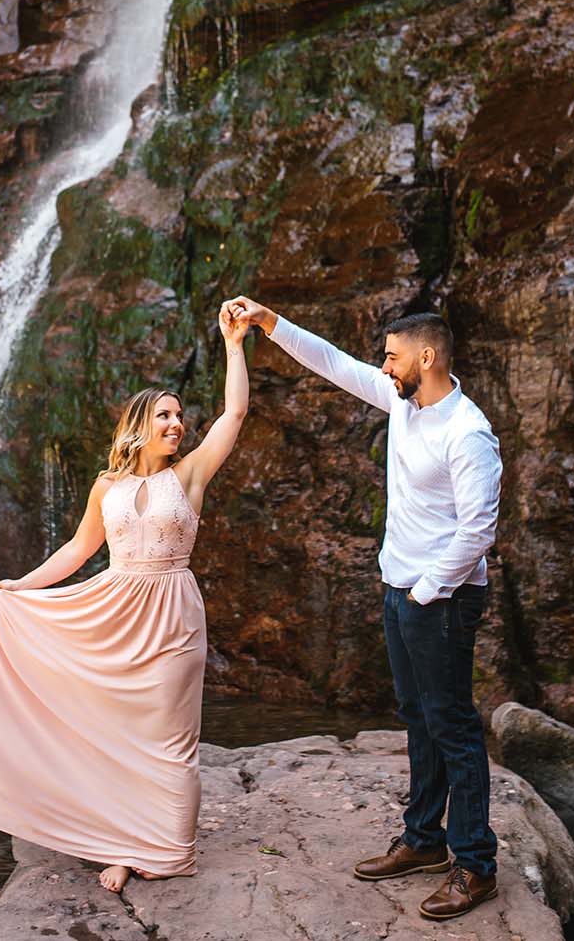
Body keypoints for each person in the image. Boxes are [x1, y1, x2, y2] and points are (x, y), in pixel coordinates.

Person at [0, 305, 250, 894]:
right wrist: (20, 588)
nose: (177, 423)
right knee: (116, 734)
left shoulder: (191, 476)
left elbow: (235, 412)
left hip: (173, 611)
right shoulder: (107, 486)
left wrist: (234, 344)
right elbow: (78, 551)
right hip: (114, 609)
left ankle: (170, 848)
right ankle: (124, 845)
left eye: (180, 415)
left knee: (170, 736)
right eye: (164, 415)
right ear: (137, 425)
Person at [223, 296, 502, 922]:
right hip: (401, 590)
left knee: (454, 726)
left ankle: (475, 865)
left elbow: (478, 530)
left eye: (392, 357)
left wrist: (426, 592)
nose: (382, 366)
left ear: (425, 358)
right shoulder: (403, 404)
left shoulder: (468, 431)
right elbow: (333, 363)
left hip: (444, 598)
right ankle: (424, 840)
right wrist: (270, 323)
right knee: (416, 715)